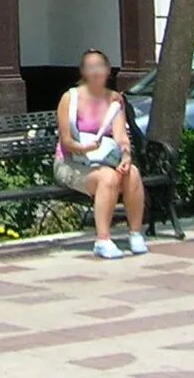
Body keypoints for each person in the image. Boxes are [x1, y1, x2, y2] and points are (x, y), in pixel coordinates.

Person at [54, 48, 147, 260]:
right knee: (108, 177)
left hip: (105, 159)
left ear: (107, 70)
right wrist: (84, 148)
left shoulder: (114, 99)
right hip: (72, 162)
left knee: (131, 172)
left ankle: (135, 233)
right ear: (83, 72)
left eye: (100, 66)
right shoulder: (70, 99)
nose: (96, 71)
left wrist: (125, 156)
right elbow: (66, 142)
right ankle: (103, 239)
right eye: (90, 67)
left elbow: (121, 136)